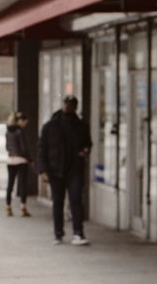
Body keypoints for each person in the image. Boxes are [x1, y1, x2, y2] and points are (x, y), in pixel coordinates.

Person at [37, 95, 93, 245]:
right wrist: (43, 169)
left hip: (74, 168)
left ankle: (78, 232)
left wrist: (85, 151)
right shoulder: (50, 126)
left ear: (76, 107)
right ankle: (58, 233)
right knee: (58, 202)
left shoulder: (81, 126)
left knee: (76, 200)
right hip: (55, 170)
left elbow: (87, 143)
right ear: (63, 105)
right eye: (66, 103)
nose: (68, 106)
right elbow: (42, 149)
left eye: (71, 104)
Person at [5, 111, 32, 217]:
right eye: (25, 122)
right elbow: (24, 147)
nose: (25, 124)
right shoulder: (20, 132)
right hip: (21, 161)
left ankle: (8, 207)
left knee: (10, 184)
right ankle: (23, 207)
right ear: (20, 121)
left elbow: (7, 147)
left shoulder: (8, 132)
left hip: (11, 160)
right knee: (22, 184)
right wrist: (30, 159)